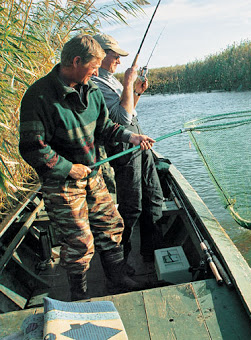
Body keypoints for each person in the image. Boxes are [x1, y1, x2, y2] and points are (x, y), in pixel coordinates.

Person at [18, 34, 155, 301]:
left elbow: (106, 127)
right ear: (76, 61)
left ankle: (117, 281)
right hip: (62, 182)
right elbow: (32, 147)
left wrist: (131, 137)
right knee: (79, 243)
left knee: (111, 226)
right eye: (93, 67)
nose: (96, 72)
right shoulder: (39, 96)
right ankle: (79, 297)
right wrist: (68, 168)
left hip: (93, 174)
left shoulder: (91, 90)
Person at [91, 33, 164, 265]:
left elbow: (130, 111)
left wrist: (137, 92)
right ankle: (121, 262)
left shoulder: (110, 79)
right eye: (115, 56)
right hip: (123, 147)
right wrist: (127, 84)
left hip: (139, 143)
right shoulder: (96, 83)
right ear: (100, 55)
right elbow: (121, 119)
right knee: (131, 206)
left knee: (154, 196)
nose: (119, 61)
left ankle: (151, 253)